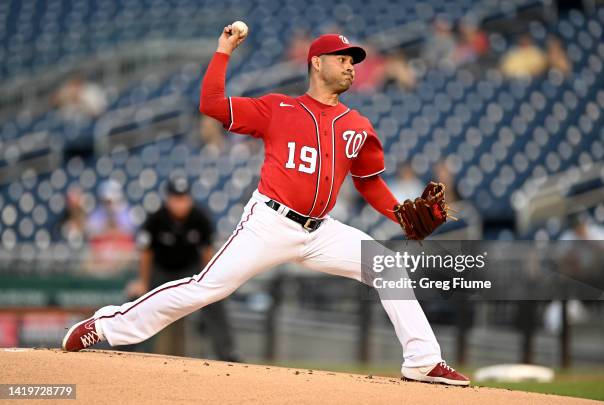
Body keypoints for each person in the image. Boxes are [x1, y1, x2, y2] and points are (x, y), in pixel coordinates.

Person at [62, 26, 469, 386]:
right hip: (269, 223)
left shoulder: (357, 125)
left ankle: (423, 361)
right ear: (316, 63)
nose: (350, 67)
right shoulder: (278, 108)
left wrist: (399, 213)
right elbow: (212, 105)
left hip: (322, 230)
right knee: (205, 288)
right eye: (342, 59)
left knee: (388, 267)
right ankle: (106, 325)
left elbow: (368, 181)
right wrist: (223, 51)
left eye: (353, 61)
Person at [125, 176, 240, 360]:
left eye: (184, 198)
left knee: (216, 300)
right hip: (161, 271)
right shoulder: (156, 219)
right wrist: (143, 282)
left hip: (190, 271)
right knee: (138, 299)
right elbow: (146, 254)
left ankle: (228, 354)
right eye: (176, 199)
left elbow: (207, 253)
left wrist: (209, 283)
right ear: (168, 199)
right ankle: (122, 351)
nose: (180, 204)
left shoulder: (200, 218)